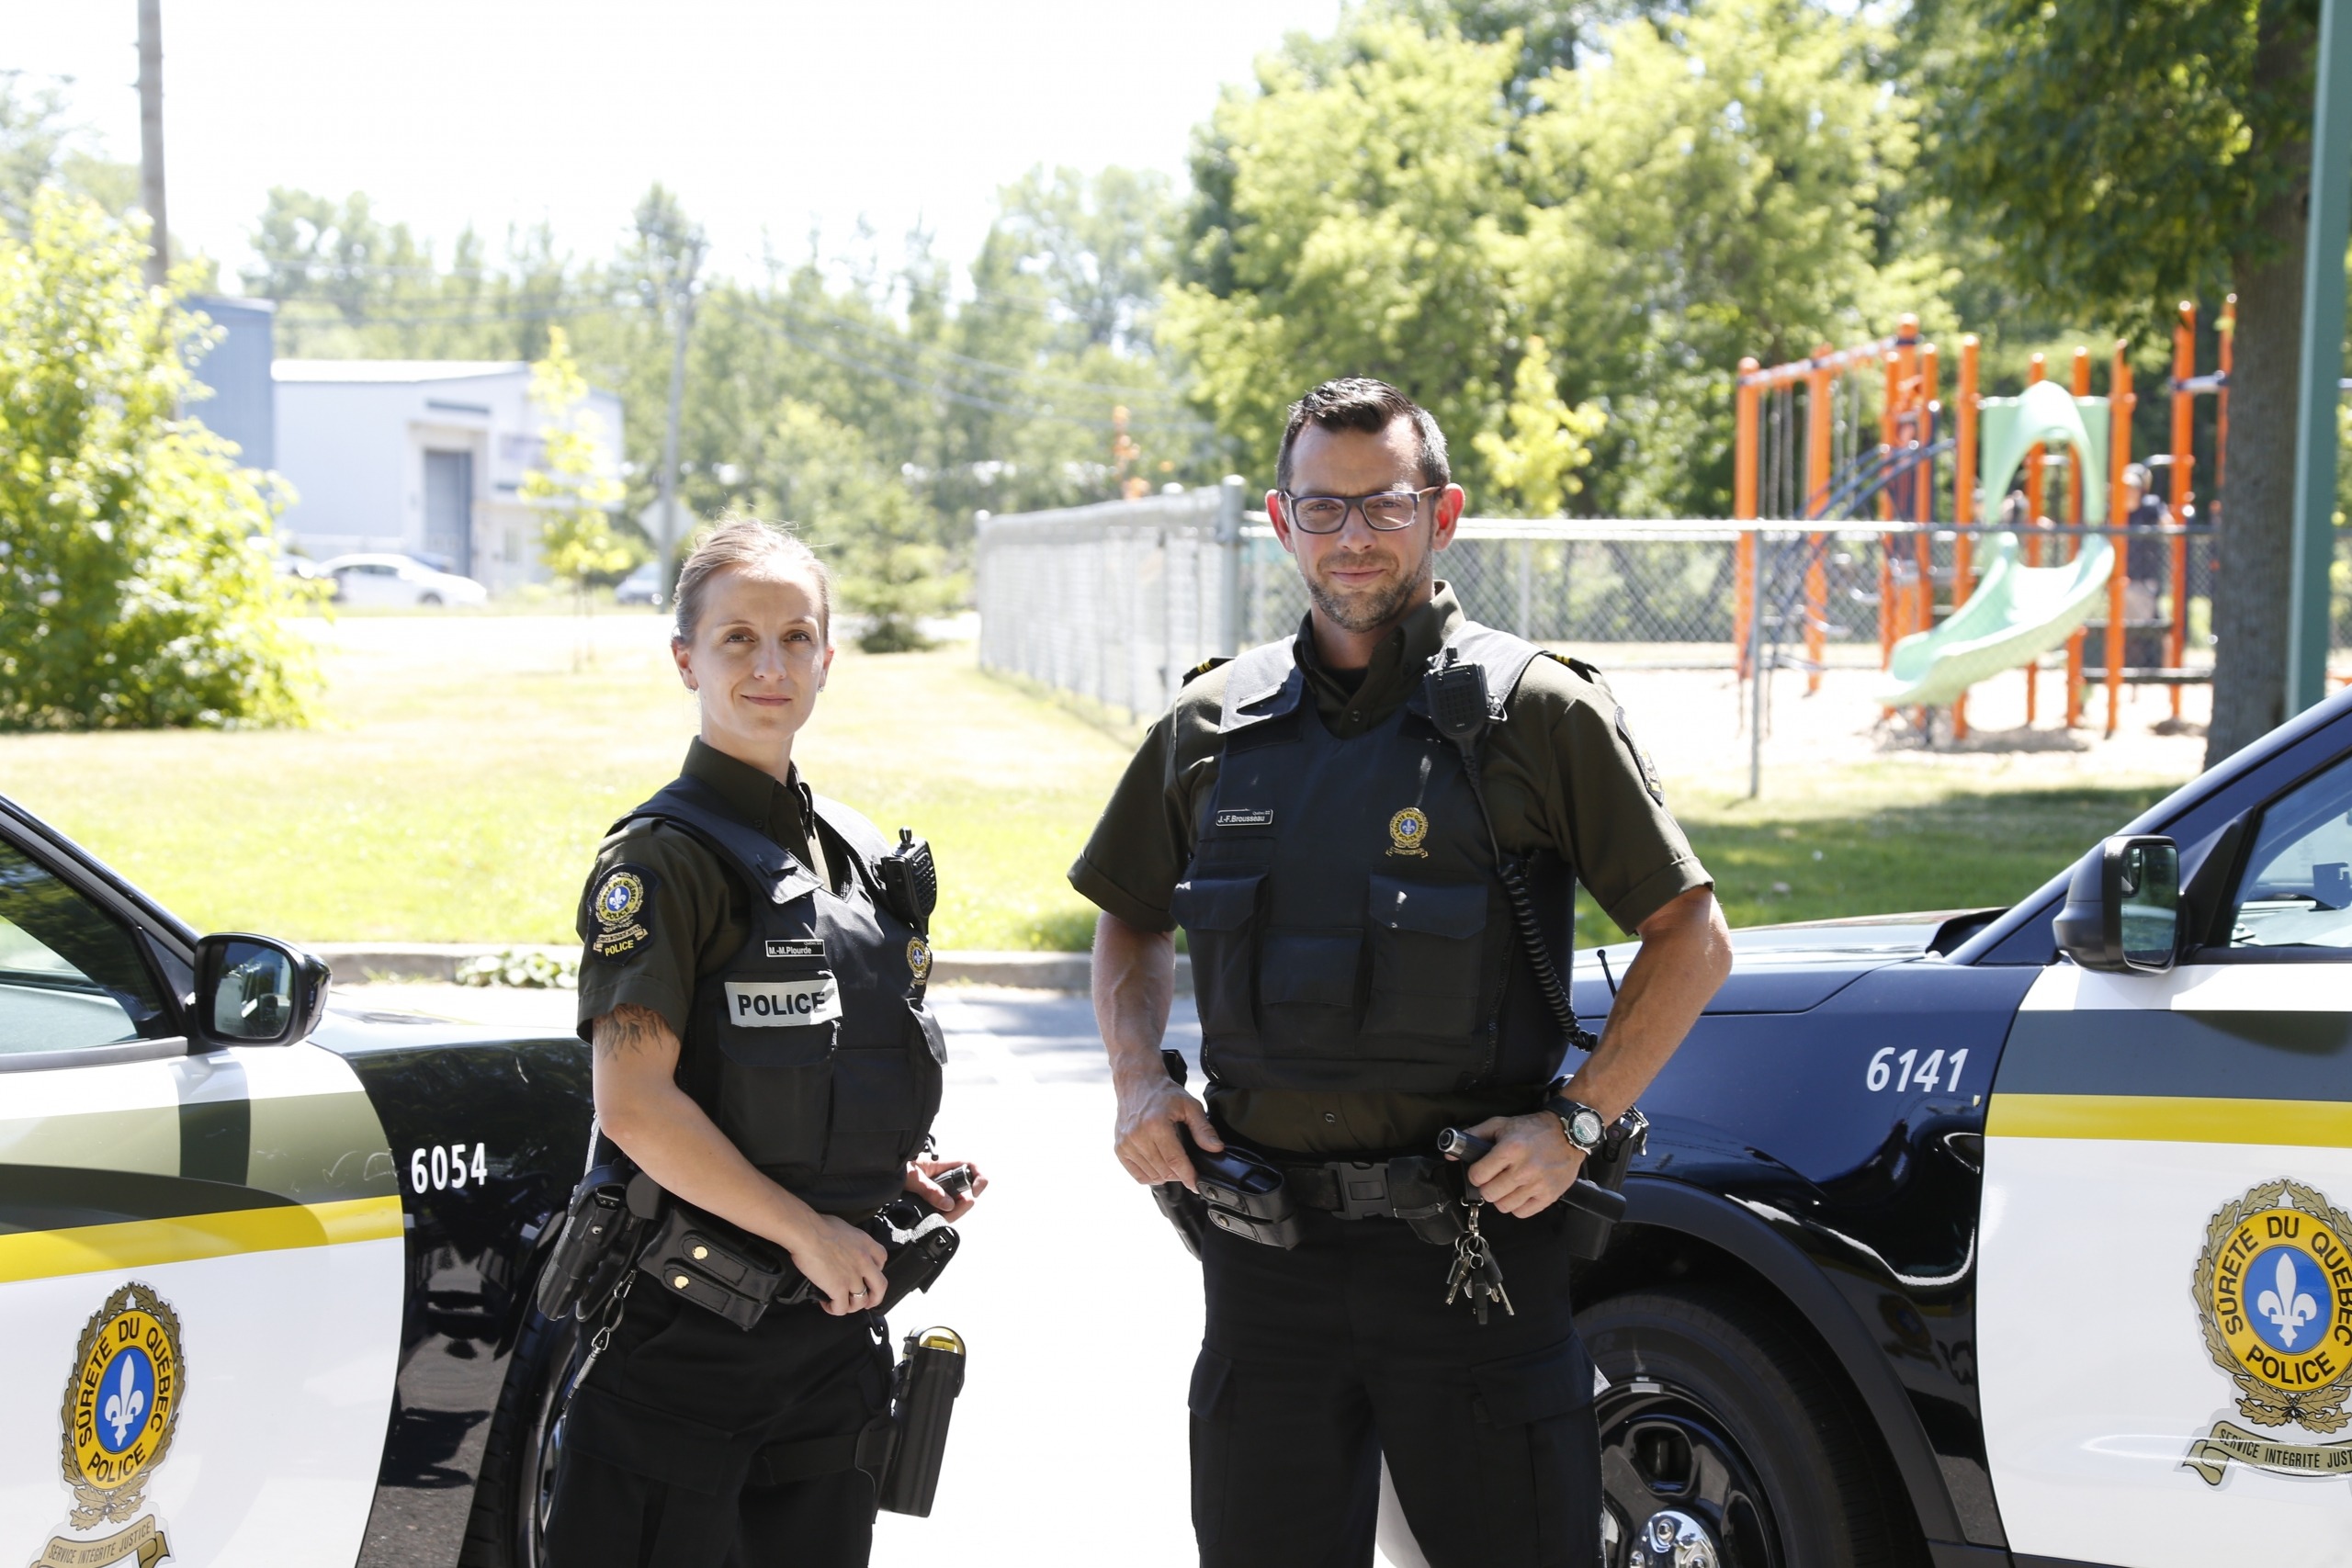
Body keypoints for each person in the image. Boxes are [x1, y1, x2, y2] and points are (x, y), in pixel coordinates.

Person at [1071, 377, 1733, 1568]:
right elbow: (1128, 916)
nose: (1355, 535)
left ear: (1444, 512)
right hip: (1264, 1265)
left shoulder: (1536, 711)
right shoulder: (1209, 726)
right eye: (1324, 510)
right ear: (1281, 522)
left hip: (1473, 1259)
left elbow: (1692, 936)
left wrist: (1578, 1119)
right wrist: (1135, 1079)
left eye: (1386, 505)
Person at [542, 519, 985, 1568]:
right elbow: (635, 1106)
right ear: (686, 658)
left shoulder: (865, 858)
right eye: (737, 639)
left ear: (828, 659)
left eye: (796, 637)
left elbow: (814, 1073)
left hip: (829, 1345)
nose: (770, 665)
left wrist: (890, 1176)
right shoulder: (661, 861)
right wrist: (806, 1232)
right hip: (684, 1350)